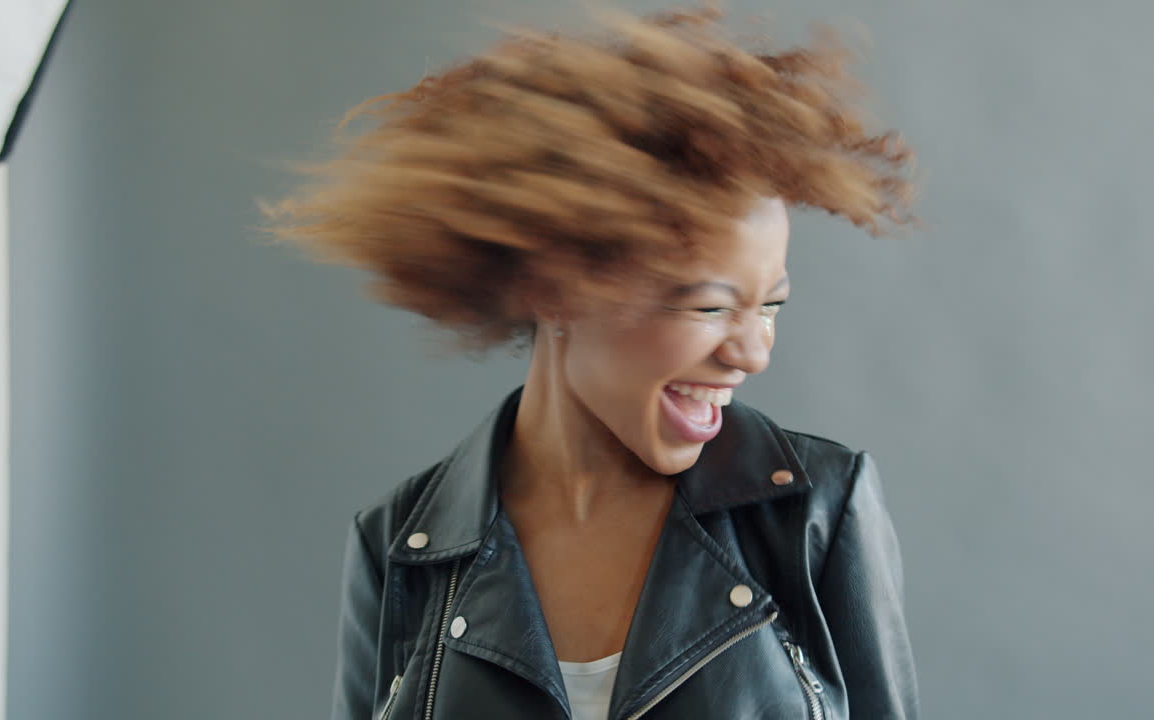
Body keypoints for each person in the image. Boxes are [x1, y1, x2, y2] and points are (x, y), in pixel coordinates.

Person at [260, 3, 919, 718]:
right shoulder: (401, 547)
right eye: (709, 306)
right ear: (560, 293)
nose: (752, 351)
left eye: (770, 306)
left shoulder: (814, 511)